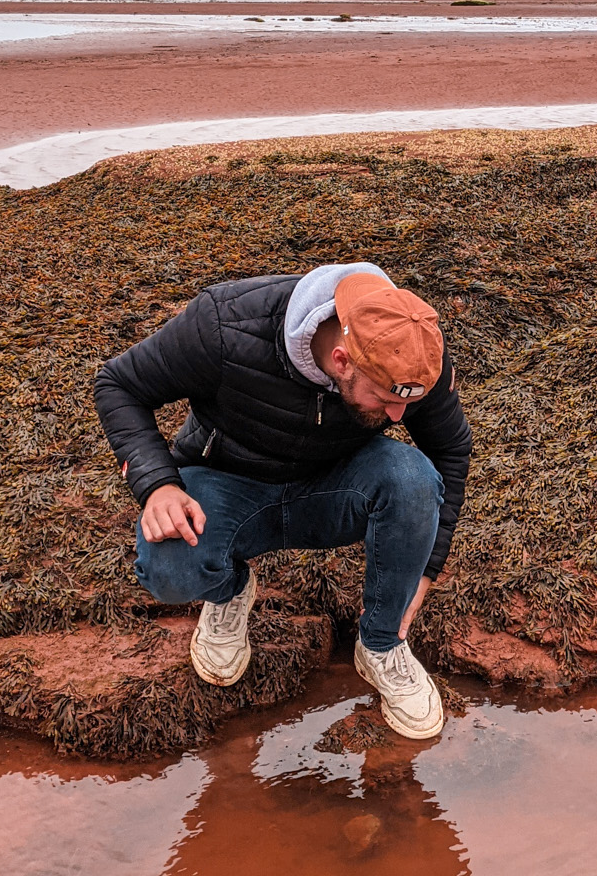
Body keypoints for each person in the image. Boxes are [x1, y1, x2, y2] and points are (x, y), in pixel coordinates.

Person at [94, 262, 471, 739]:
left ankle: (380, 646)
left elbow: (451, 451)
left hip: (334, 490)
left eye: (406, 403)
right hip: (228, 486)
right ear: (341, 360)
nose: (399, 414)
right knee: (168, 567)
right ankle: (229, 592)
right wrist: (157, 485)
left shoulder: (410, 351)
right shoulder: (223, 324)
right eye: (383, 399)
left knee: (413, 479)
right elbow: (118, 385)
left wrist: (426, 571)